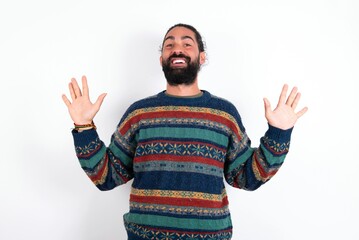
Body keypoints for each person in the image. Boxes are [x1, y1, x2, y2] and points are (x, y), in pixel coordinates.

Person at [62, 23, 307, 240]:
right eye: (169, 45)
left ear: (202, 58)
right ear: (161, 60)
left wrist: (279, 132)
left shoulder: (224, 113)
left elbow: (246, 177)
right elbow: (106, 177)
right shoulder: (139, 113)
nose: (177, 48)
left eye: (186, 43)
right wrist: (84, 127)